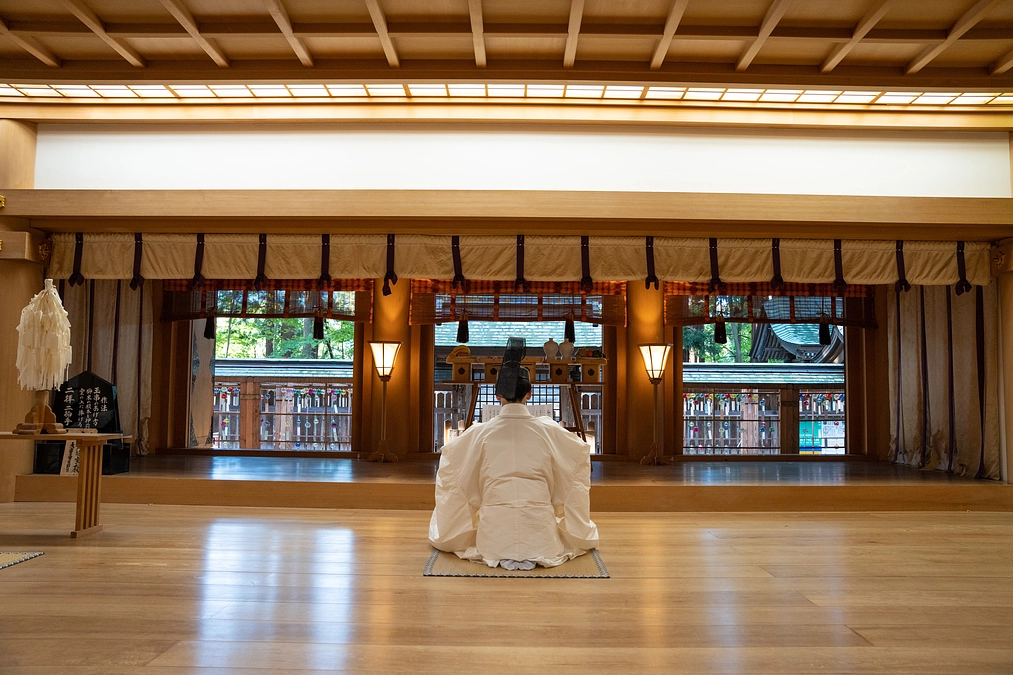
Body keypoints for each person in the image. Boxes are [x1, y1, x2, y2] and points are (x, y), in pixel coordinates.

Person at [428, 337, 599, 569]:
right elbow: (578, 456)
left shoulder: (480, 433)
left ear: (498, 395)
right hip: (541, 536)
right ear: (529, 393)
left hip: (494, 537)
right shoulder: (548, 431)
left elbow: (452, 467)